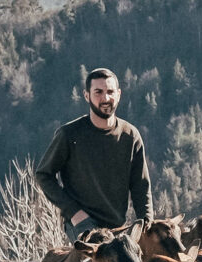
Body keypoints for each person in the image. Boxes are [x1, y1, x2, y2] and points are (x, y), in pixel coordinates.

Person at [35, 67, 152, 238]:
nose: (105, 98)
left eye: (110, 92)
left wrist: (146, 223)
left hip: (118, 226)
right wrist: (73, 212)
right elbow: (43, 175)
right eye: (98, 92)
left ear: (119, 94)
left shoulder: (130, 136)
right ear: (86, 95)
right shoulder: (69, 134)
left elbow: (141, 186)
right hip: (83, 225)